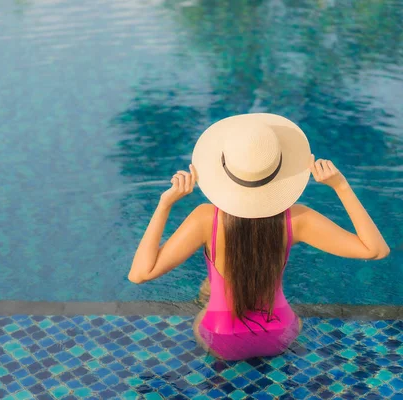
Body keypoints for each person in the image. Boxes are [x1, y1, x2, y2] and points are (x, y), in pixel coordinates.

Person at [128, 113, 389, 360]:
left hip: (221, 339)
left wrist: (165, 203)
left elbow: (140, 274)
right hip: (281, 335)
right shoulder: (298, 220)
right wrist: (340, 186)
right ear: (278, 167)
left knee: (207, 297)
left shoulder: (205, 219)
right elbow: (375, 250)